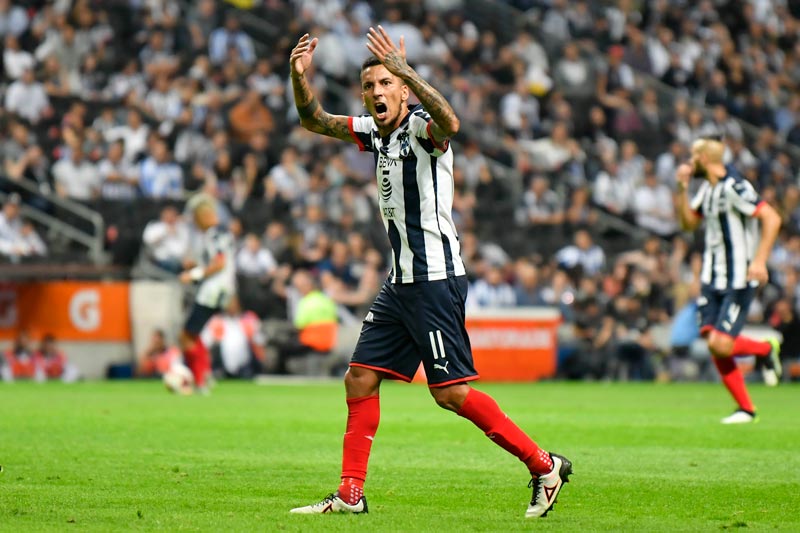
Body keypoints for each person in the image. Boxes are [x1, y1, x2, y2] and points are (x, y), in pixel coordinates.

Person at [287, 28, 571, 518]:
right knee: (359, 379)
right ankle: (350, 495)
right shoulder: (375, 131)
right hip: (401, 283)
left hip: (435, 280)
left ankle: (544, 466)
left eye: (384, 83)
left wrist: (408, 72)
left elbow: (453, 123)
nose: (376, 92)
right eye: (369, 85)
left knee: (450, 394)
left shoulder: (422, 127)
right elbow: (314, 119)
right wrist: (297, 78)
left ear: (402, 89)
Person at [675, 136, 783, 424]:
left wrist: (759, 260)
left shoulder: (735, 186)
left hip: (739, 278)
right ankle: (746, 409)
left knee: (721, 345)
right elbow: (688, 223)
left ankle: (765, 348)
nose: (690, 161)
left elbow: (771, 218)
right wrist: (682, 188)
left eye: (693, 156)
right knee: (713, 343)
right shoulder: (707, 190)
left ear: (705, 159)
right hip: (713, 278)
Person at [176, 194, 236, 393]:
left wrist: (194, 274)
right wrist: (197, 265)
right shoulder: (222, 233)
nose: (194, 221)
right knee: (193, 333)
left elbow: (219, 264)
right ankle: (205, 376)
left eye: (195, 216)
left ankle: (200, 380)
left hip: (213, 290)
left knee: (186, 336)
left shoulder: (214, 233)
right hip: (222, 289)